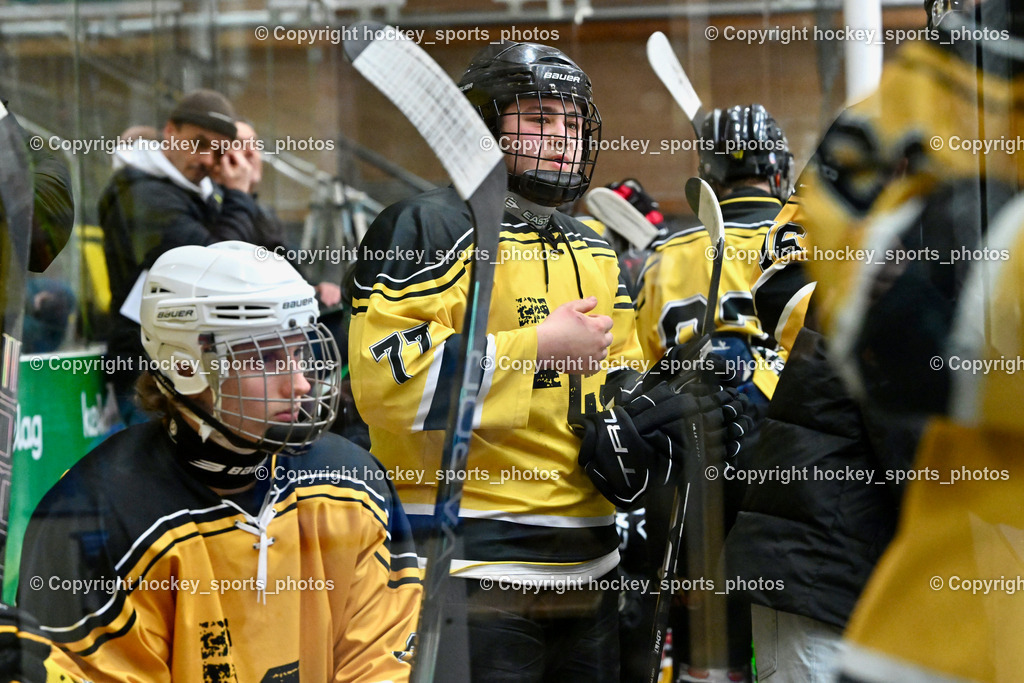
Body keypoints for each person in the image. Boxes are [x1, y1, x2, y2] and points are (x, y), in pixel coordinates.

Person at [349, 40, 740, 682]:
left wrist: (653, 416)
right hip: (470, 570)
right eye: (536, 118)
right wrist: (537, 347)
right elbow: (386, 386)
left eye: (570, 122)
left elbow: (613, 379)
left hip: (590, 564)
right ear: (482, 124)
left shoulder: (589, 244)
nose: (559, 137)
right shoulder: (425, 226)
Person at [18, 241, 421, 682]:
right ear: (185, 365)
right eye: (267, 358)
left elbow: (382, 665)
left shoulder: (352, 483)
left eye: (299, 353)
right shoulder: (97, 513)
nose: (301, 384)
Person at [100, 89, 259, 425]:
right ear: (170, 132)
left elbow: (260, 257)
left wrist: (244, 191)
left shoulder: (203, 192)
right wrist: (239, 197)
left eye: (216, 151)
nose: (205, 159)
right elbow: (219, 268)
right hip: (148, 372)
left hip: (195, 363)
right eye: (198, 143)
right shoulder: (142, 193)